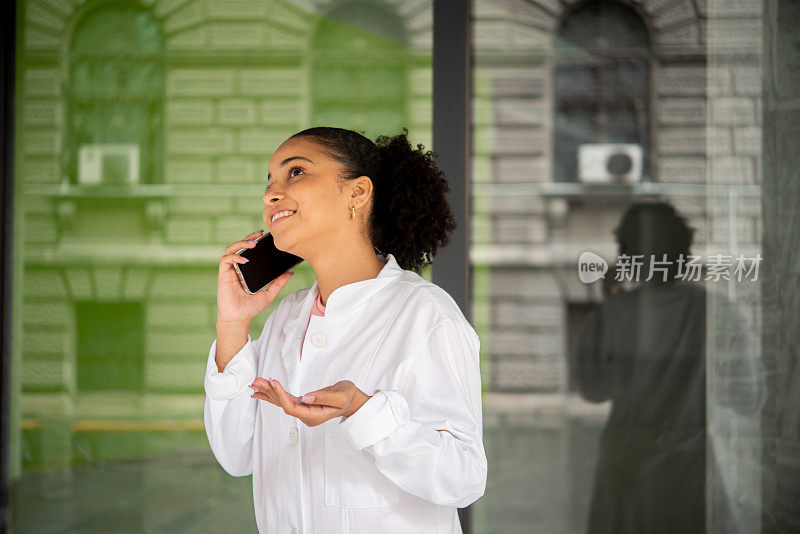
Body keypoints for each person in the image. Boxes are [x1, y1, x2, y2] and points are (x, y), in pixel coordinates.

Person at [203, 126, 488, 534]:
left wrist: (364, 411)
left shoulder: (425, 314)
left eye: (295, 172)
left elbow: (464, 478)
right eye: (269, 184)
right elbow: (238, 454)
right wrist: (232, 323)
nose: (271, 195)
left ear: (357, 193)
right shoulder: (287, 318)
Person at [569, 201, 765, 534]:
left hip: (626, 471)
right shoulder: (717, 312)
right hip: (690, 471)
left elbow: (592, 388)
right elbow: (748, 397)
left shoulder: (615, 313)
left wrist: (609, 307)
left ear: (630, 254)